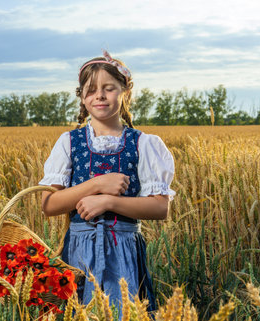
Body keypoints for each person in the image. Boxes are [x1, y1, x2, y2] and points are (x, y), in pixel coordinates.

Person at [39, 50, 175, 313]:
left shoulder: (144, 144)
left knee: (123, 313)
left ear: (125, 92)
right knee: (78, 313)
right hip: (78, 252)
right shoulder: (69, 142)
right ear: (82, 97)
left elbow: (160, 207)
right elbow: (49, 205)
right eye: (90, 90)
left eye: (108, 88)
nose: (99, 95)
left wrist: (109, 201)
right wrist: (97, 184)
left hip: (123, 249)